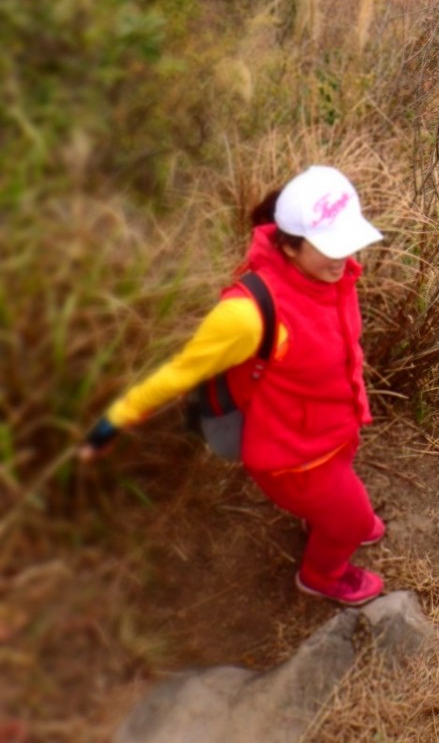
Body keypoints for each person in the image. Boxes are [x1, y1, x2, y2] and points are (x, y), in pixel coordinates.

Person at [80, 165, 387, 606]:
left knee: (343, 501)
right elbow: (180, 372)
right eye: (327, 246)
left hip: (332, 430)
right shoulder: (248, 315)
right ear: (290, 243)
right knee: (353, 523)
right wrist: (111, 423)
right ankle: (321, 575)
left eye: (346, 240)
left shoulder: (330, 276)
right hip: (294, 456)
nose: (343, 257)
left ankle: (327, 519)